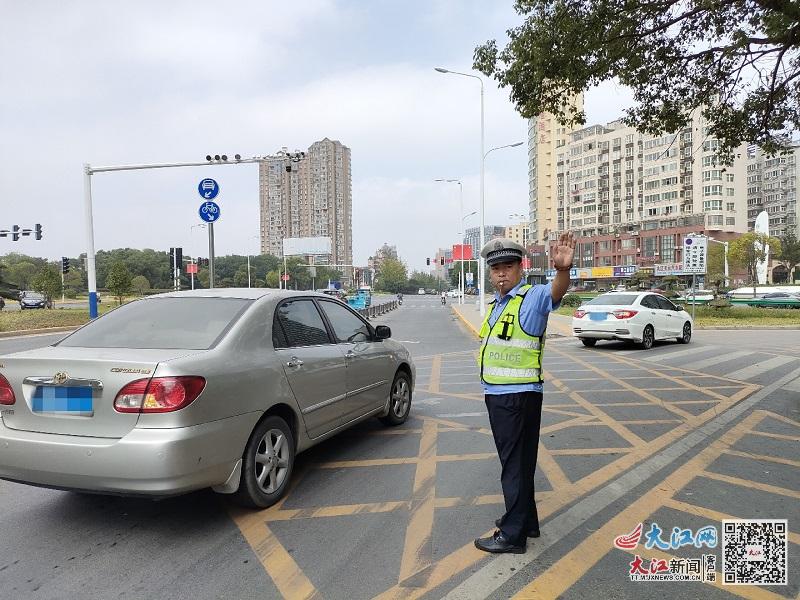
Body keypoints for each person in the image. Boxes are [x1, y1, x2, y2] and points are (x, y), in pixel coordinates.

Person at [473, 233, 575, 554]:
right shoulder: (497, 306)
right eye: (496, 268)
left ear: (521, 267)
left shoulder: (530, 298)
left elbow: (554, 294)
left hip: (513, 397)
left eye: (508, 266)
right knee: (522, 462)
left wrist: (562, 271)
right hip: (509, 394)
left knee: (513, 466)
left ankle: (512, 535)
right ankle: (527, 521)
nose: (501, 273)